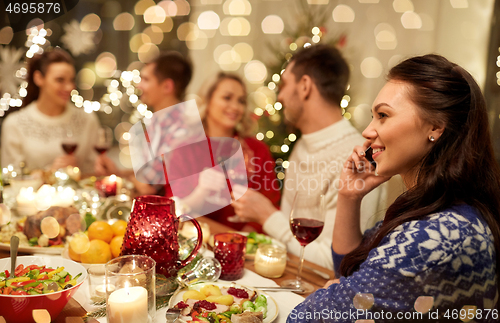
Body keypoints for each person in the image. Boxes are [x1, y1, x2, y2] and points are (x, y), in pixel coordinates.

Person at [288, 54, 500, 322]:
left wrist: (338, 291)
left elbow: (308, 316)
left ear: (435, 127)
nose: (367, 130)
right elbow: (347, 271)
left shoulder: (440, 236)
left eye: (383, 115)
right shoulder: (433, 208)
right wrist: (349, 196)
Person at [231, 44, 386, 268]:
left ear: (304, 86)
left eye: (284, 84)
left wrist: (266, 216)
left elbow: (333, 263)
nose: (280, 96)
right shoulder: (303, 144)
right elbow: (287, 242)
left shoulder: (358, 158)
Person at [164, 72, 281, 232]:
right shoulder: (183, 149)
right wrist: (201, 192)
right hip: (197, 241)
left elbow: (271, 202)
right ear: (208, 100)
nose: (235, 107)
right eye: (227, 97)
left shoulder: (257, 150)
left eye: (241, 101)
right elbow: (174, 208)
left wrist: (244, 239)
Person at [95, 51, 193, 194]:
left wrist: (120, 177)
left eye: (146, 80)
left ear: (167, 86)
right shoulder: (158, 123)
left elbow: (147, 188)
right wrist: (116, 173)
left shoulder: (181, 130)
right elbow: (147, 177)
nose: (139, 86)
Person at [1, 48, 99, 174]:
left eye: (72, 80)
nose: (69, 87)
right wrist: (50, 174)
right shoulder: (14, 124)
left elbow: (95, 175)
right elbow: (10, 179)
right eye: (60, 80)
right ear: (39, 78)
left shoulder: (88, 120)